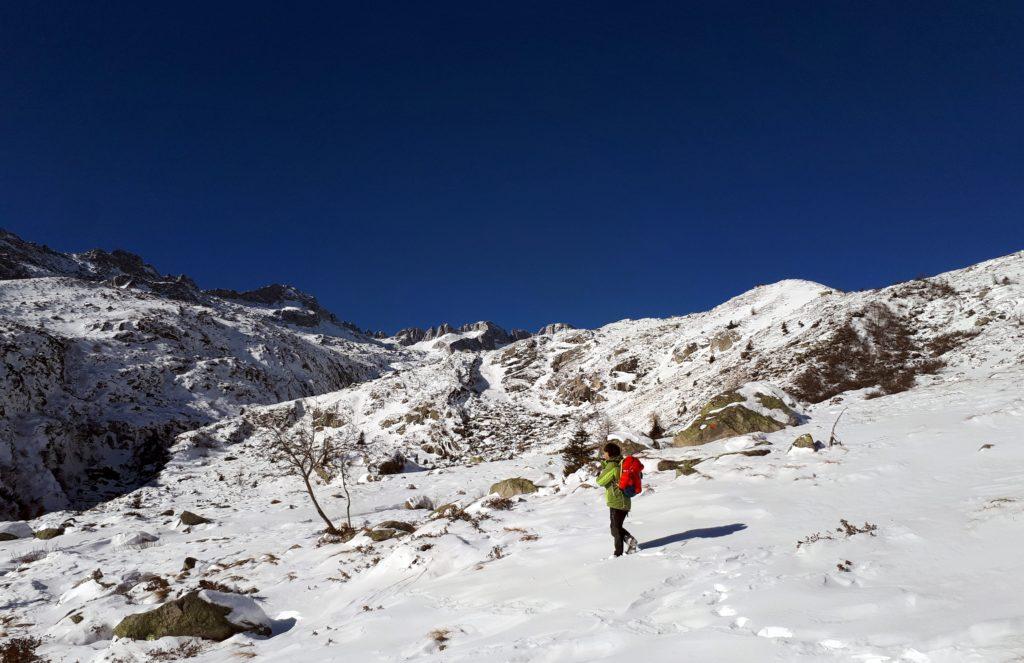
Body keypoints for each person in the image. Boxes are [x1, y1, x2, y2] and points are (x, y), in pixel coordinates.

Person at [595, 441, 638, 557]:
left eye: (605, 453)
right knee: (615, 527)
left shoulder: (612, 465)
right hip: (624, 500)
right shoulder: (621, 462)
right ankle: (630, 541)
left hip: (616, 500)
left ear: (609, 453)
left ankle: (618, 554)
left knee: (615, 528)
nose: (604, 455)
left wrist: (601, 473)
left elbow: (600, 481)